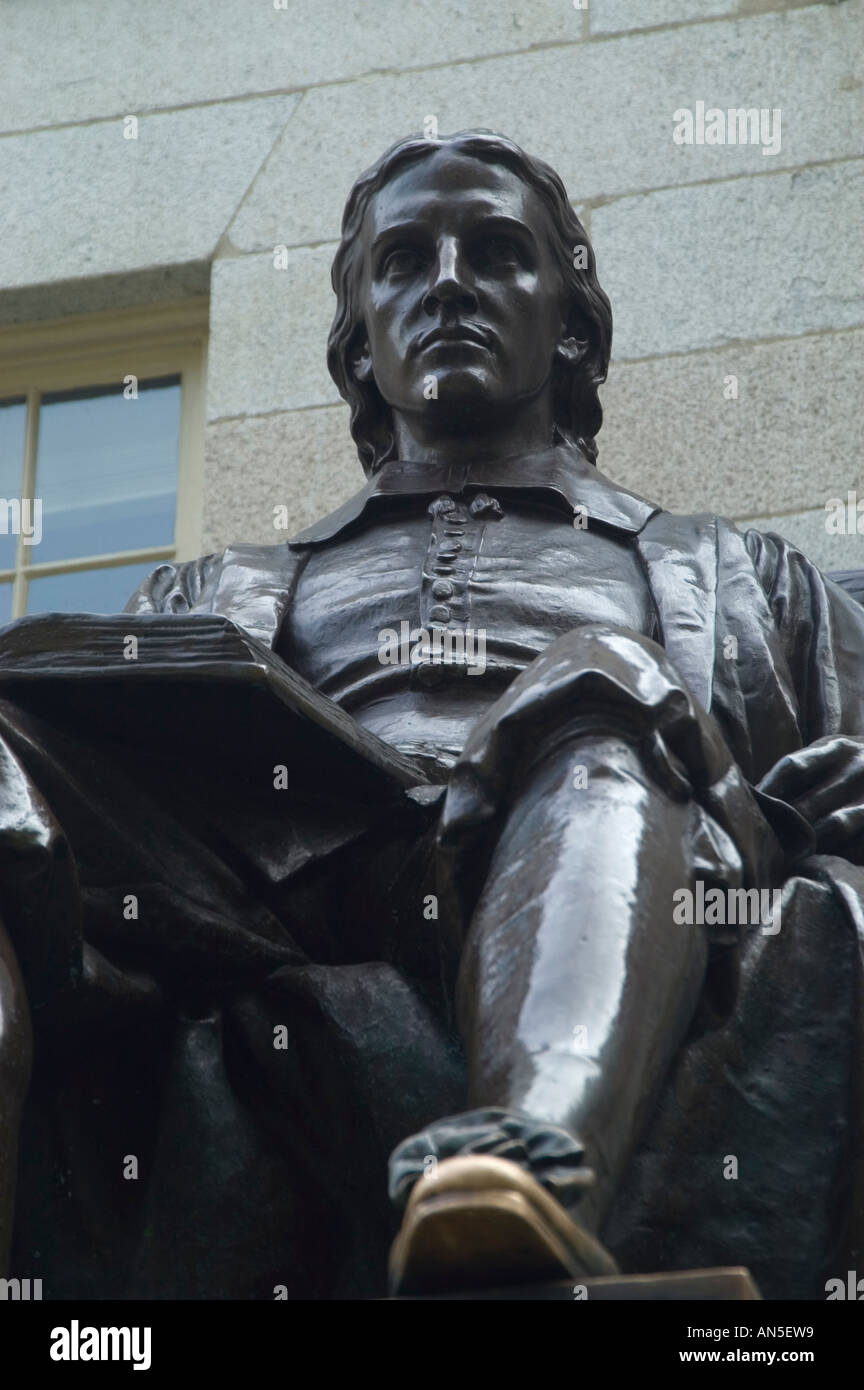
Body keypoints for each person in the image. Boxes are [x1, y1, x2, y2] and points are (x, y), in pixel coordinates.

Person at [3, 131, 864, 1300]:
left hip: (581, 823)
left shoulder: (739, 573)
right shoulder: (212, 594)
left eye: (496, 252)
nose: (448, 280)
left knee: (595, 684)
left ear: (568, 321)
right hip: (268, 886)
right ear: (362, 338)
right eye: (403, 262)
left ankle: (523, 1168)